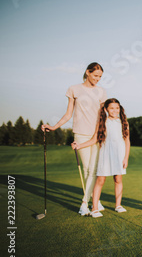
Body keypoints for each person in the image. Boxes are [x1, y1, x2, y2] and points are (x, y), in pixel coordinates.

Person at [42, 62, 107, 216]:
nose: (98, 79)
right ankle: (87, 203)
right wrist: (54, 127)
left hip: (97, 135)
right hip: (81, 133)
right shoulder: (74, 89)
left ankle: (90, 200)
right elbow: (68, 114)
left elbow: (102, 116)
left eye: (100, 77)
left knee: (94, 170)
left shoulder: (101, 92)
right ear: (87, 72)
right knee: (87, 170)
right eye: (96, 75)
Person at [72, 98, 130, 218]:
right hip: (105, 154)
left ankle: (118, 205)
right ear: (106, 109)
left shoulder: (124, 122)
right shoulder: (102, 122)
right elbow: (94, 139)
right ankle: (94, 208)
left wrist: (126, 158)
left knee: (118, 179)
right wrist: (79, 145)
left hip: (119, 154)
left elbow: (127, 141)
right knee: (100, 180)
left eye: (117, 108)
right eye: (112, 108)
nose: (115, 110)